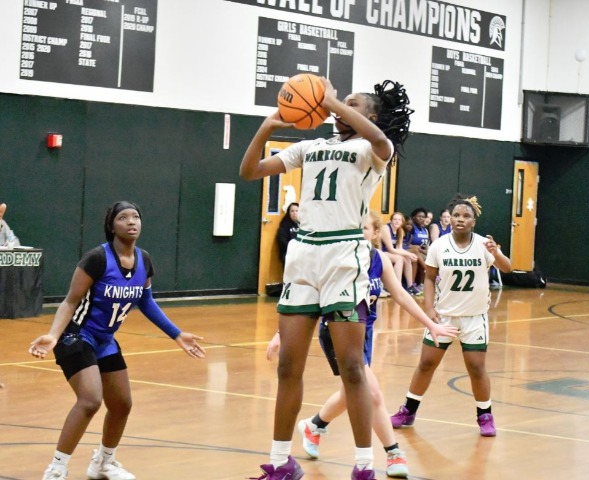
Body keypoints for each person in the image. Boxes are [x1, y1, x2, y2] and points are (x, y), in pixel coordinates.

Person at [240, 77, 413, 480]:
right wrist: (267, 126)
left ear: (371, 116)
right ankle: (281, 463)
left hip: (343, 256)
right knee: (288, 367)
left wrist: (332, 100)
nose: (336, 106)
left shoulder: (374, 149)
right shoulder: (311, 146)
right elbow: (249, 171)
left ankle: (364, 465)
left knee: (352, 368)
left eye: (351, 103)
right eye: (337, 101)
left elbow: (379, 138)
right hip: (304, 256)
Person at [266, 211, 458, 478]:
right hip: (336, 333)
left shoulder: (379, 259)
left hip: (364, 334)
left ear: (376, 233)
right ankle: (392, 452)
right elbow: (310, 298)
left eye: (364, 229)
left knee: (351, 392)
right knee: (372, 393)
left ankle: (314, 425)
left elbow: (401, 294)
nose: (359, 233)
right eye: (355, 229)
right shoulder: (338, 260)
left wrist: (431, 324)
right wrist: (281, 334)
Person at [28, 201, 206, 480]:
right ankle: (57, 468)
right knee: (90, 400)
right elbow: (70, 301)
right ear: (111, 226)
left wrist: (176, 333)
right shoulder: (97, 259)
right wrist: (53, 334)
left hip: (105, 340)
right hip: (76, 335)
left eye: (136, 216)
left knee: (122, 404)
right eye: (123, 217)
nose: (131, 221)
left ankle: (103, 463)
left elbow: (146, 301)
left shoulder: (144, 260)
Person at [390, 194, 512, 437]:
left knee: (476, 367)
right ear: (451, 219)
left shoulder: (483, 245)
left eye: (466, 216)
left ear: (474, 221)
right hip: (443, 316)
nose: (460, 219)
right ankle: (408, 410)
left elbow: (507, 268)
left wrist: (496, 253)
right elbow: (429, 277)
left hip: (474, 317)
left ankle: (485, 415)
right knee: (426, 363)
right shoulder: (439, 245)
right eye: (456, 215)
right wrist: (429, 308)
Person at [380, 212, 417, 295]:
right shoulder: (386, 229)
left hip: (388, 253)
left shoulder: (400, 231)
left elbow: (399, 248)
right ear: (391, 221)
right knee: (399, 258)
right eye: (395, 219)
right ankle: (397, 287)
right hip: (380, 252)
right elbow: (390, 249)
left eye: (399, 220)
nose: (397, 221)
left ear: (402, 222)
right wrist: (409, 254)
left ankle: (410, 286)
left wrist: (409, 255)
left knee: (407, 258)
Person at [404, 207, 430, 292]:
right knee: (417, 256)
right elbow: (407, 243)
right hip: (412, 251)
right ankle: (413, 283)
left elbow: (426, 246)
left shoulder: (425, 230)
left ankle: (422, 284)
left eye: (423, 217)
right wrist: (414, 247)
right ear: (414, 217)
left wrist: (425, 251)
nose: (421, 218)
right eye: (419, 216)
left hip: (421, 251)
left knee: (430, 258)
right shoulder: (411, 227)